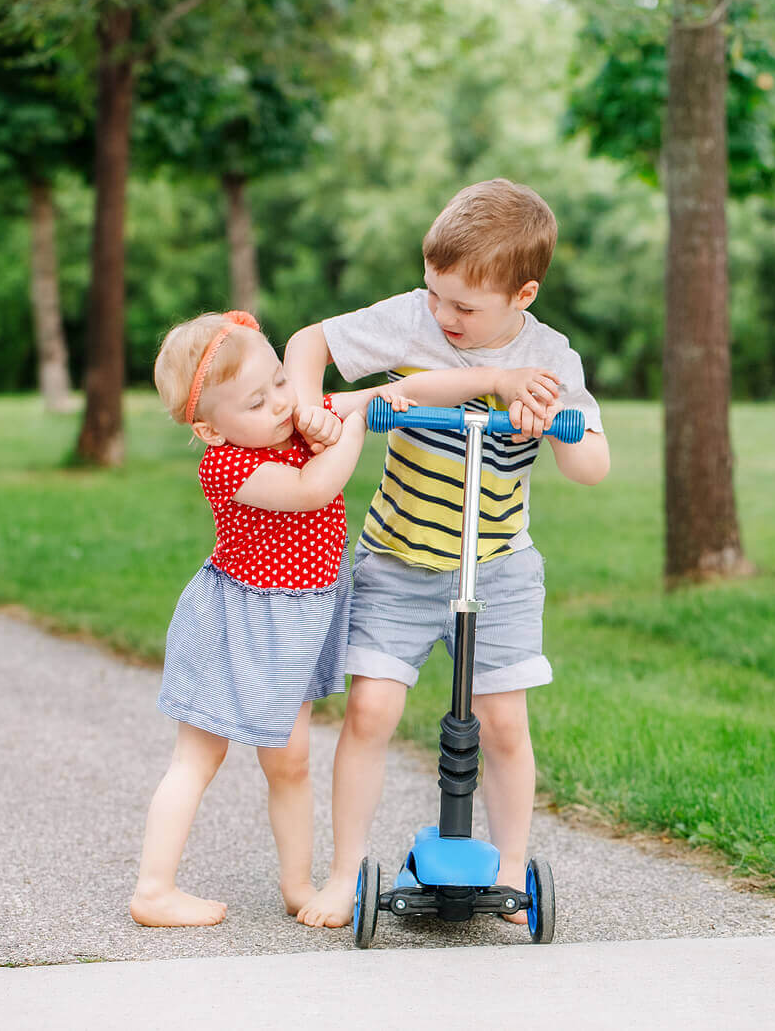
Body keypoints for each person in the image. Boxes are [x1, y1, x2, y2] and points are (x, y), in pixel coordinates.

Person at [282, 178, 611, 929]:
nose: (444, 315)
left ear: (523, 294)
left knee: (502, 722)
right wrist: (308, 401)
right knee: (370, 709)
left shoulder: (549, 355)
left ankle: (506, 869)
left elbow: (593, 463)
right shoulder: (410, 321)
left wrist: (553, 422)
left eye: (465, 307)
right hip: (397, 558)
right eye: (436, 294)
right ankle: (343, 874)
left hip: (497, 566)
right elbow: (311, 343)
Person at [130, 308, 406, 928]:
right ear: (209, 429)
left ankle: (296, 886)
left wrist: (489, 377)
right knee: (198, 757)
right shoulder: (228, 466)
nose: (281, 403)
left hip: (295, 624)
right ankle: (154, 889)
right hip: (241, 620)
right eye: (257, 402)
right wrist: (353, 430)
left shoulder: (292, 418)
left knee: (290, 761)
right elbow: (313, 489)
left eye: (281, 381)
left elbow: (383, 393)